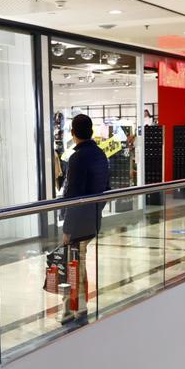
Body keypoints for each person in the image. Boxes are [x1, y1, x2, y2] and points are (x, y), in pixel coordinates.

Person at [61, 114, 109, 324]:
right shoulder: (100, 155)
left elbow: (73, 197)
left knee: (74, 263)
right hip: (93, 219)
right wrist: (96, 210)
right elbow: (106, 190)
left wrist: (67, 228)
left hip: (79, 223)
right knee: (79, 262)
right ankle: (78, 304)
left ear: (73, 133)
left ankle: (75, 307)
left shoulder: (77, 158)